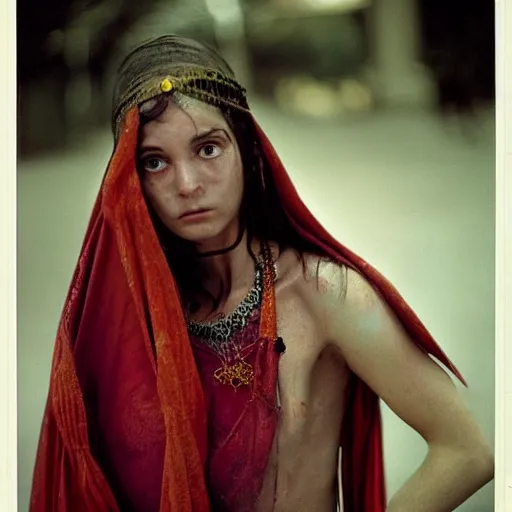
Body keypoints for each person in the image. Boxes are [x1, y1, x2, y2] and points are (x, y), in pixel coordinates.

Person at [29, 35, 493, 512]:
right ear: (131, 182)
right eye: (155, 162)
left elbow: (465, 449)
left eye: (207, 149)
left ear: (249, 153)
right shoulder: (134, 319)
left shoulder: (325, 293)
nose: (187, 184)